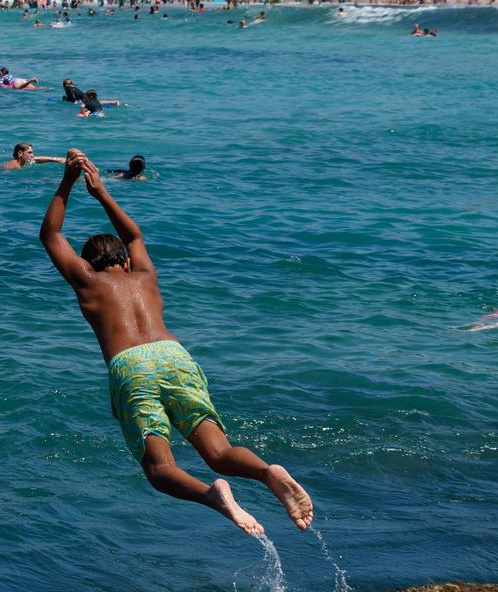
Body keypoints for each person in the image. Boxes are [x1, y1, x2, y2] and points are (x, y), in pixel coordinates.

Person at [39, 150, 313, 536]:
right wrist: (100, 192)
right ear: (127, 262)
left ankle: (212, 497)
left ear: (86, 265)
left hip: (130, 365)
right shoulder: (145, 276)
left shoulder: (87, 281)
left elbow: (50, 235)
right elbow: (133, 235)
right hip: (174, 354)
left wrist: (67, 180)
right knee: (218, 452)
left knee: (159, 468)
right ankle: (268, 472)